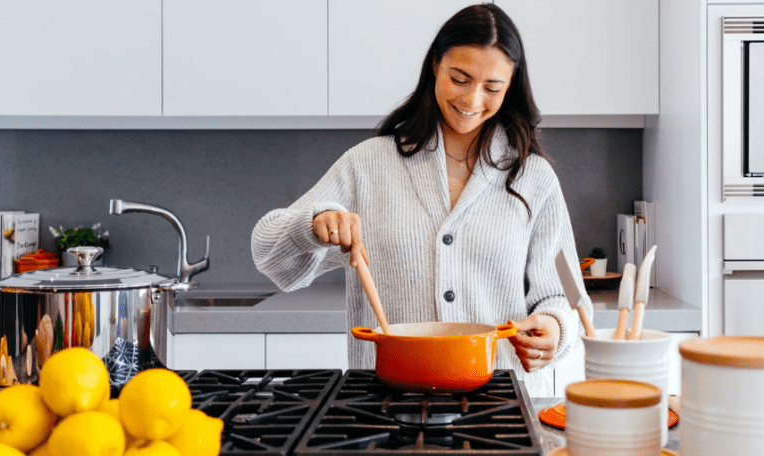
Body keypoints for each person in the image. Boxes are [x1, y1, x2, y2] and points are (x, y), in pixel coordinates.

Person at [251, 3, 592, 397]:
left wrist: (553, 328)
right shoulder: (369, 164)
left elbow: (564, 296)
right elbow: (269, 254)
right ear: (435, 65)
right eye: (459, 78)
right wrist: (312, 225)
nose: (472, 99)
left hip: (499, 404)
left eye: (492, 88)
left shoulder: (533, 178)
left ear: (511, 85)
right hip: (383, 404)